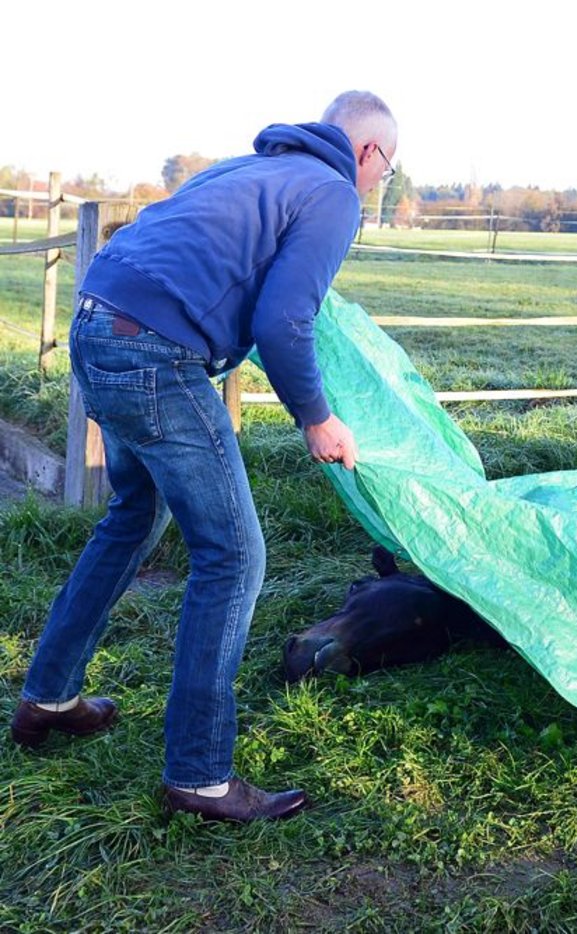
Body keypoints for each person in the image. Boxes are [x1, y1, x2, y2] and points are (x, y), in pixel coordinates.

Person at [8, 91, 397, 822]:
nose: (378, 188)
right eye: (386, 172)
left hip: (97, 326)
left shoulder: (248, 168)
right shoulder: (333, 192)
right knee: (233, 556)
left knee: (132, 515)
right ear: (370, 153)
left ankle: (48, 698)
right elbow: (283, 319)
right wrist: (316, 419)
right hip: (157, 354)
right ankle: (200, 775)